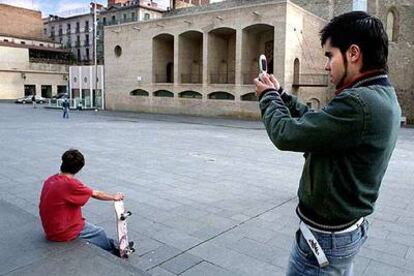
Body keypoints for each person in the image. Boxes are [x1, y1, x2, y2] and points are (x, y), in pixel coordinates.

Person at [254, 11, 401, 275]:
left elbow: (286, 134)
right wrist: (282, 96)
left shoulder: (358, 103)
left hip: (324, 241)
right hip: (344, 232)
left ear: (353, 53)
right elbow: (318, 123)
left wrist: (267, 97)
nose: (326, 65)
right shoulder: (379, 95)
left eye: (330, 55)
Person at [39, 149, 126, 257]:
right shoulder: (70, 184)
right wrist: (114, 197)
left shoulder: (51, 179)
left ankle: (113, 244)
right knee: (99, 232)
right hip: (62, 231)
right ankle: (113, 252)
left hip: (50, 227)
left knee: (94, 232)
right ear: (79, 169)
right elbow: (96, 194)